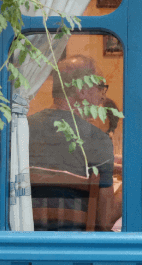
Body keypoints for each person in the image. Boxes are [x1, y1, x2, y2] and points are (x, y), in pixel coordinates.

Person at [28, 55, 122, 231]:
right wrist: (133, 179)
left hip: (27, 241)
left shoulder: (24, 128)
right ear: (82, 91)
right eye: (100, 87)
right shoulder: (96, 139)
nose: (103, 95)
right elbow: (105, 220)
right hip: (77, 245)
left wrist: (110, 166)